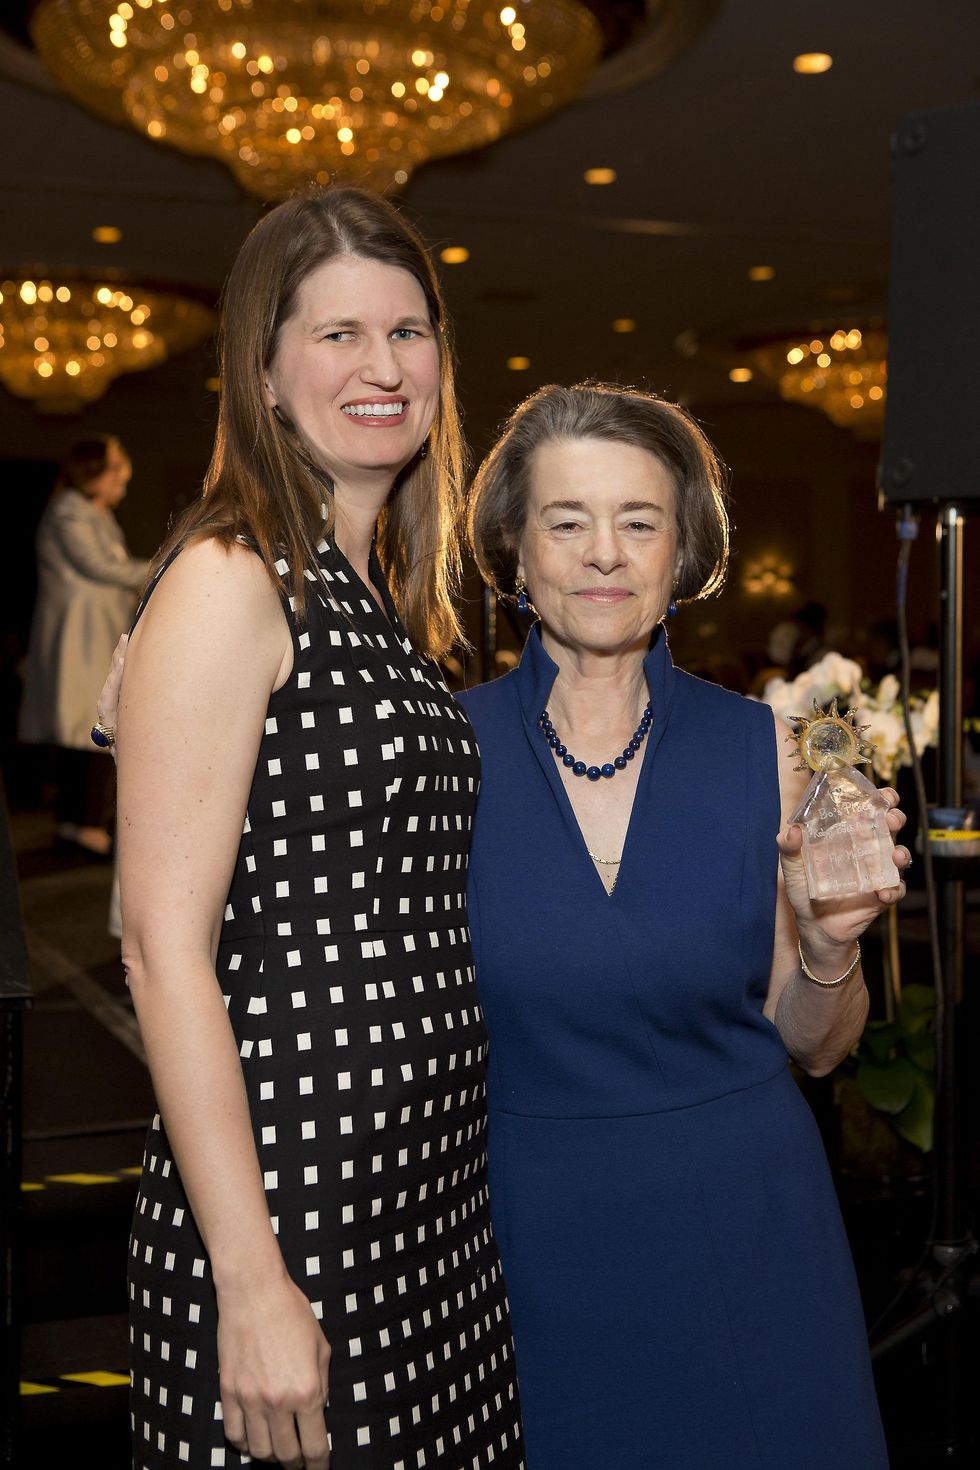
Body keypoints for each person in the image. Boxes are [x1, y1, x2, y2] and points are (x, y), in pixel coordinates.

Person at [113, 189, 523, 1469]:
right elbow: (157, 947)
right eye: (338, 333)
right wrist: (249, 1280)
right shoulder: (231, 576)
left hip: (427, 1210)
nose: (382, 365)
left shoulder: (377, 600)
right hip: (294, 1204)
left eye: (408, 333)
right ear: (268, 370)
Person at [458, 382, 906, 1469]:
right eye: (567, 522)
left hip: (749, 1230)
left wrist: (830, 946)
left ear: (681, 554)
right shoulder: (444, 754)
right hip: (526, 1239)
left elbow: (814, 1042)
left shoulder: (771, 748)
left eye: (638, 522)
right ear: (515, 551)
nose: (603, 553)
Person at [20, 435, 148, 855]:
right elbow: (99, 566)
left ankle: (81, 819)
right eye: (117, 475)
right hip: (79, 636)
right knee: (88, 721)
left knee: (92, 720)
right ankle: (80, 820)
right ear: (94, 471)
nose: (122, 487)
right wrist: (163, 565)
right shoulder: (69, 510)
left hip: (95, 632)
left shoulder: (94, 513)